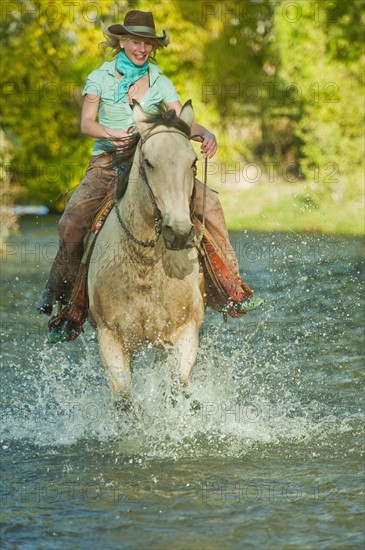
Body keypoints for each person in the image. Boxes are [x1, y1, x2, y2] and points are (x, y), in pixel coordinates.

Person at [37, 10, 262, 338]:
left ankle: (230, 288)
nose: (142, 49)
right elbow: (86, 123)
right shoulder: (99, 77)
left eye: (147, 44)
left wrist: (205, 132)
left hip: (154, 166)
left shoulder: (160, 80)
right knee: (71, 221)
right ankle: (67, 302)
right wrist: (111, 132)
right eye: (135, 41)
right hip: (107, 164)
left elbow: (178, 119)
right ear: (122, 41)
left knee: (210, 204)